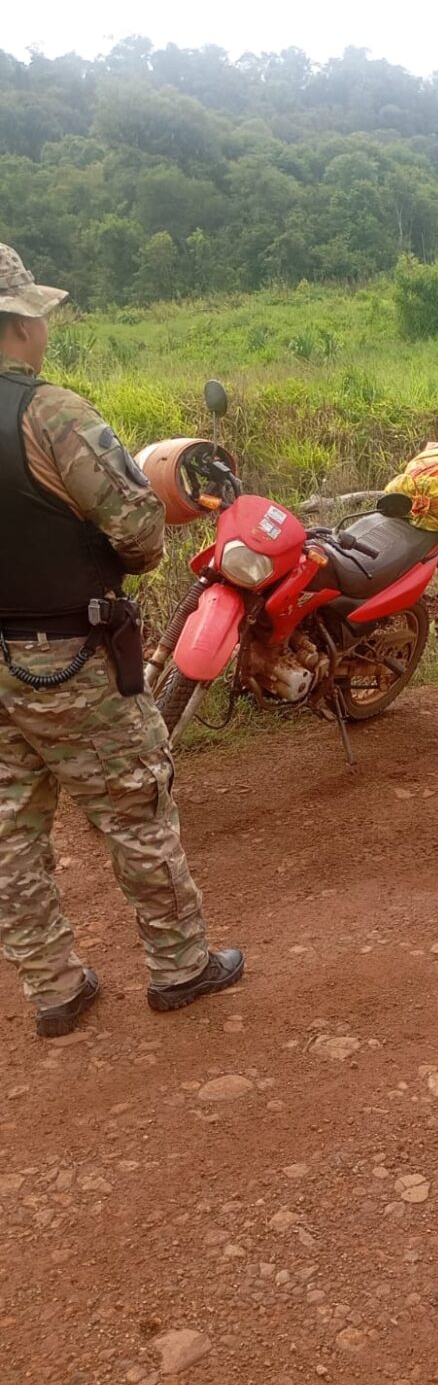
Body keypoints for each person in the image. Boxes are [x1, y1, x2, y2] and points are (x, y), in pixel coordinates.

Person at [0, 243, 244, 1037]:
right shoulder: (50, 413)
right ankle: (180, 966)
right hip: (69, 656)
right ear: (23, 323)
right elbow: (138, 528)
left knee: (10, 832)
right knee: (136, 806)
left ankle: (54, 987)